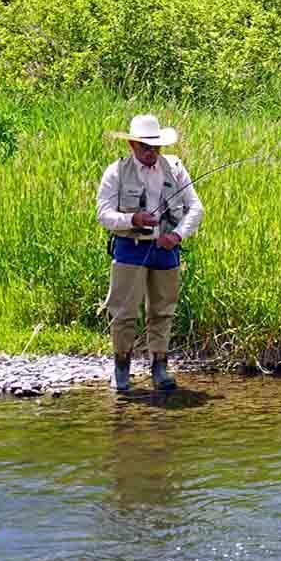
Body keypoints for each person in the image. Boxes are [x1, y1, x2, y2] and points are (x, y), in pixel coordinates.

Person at [96, 114, 204, 393]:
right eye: (145, 147)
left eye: (156, 147)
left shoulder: (176, 169)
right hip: (129, 250)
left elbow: (196, 209)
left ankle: (160, 367)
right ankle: (121, 369)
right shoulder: (116, 172)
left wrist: (177, 235)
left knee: (163, 312)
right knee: (123, 312)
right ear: (132, 145)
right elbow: (103, 214)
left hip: (166, 250)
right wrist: (133, 220)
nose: (152, 153)